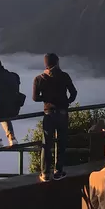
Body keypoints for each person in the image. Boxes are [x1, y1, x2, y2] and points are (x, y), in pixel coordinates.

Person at [32, 53, 78, 182]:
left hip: (49, 114)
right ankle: (58, 171)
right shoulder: (64, 76)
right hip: (62, 113)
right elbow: (73, 92)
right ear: (57, 62)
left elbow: (35, 98)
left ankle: (45, 173)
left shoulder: (39, 78)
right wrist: (67, 101)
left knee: (46, 144)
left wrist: (46, 99)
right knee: (61, 142)